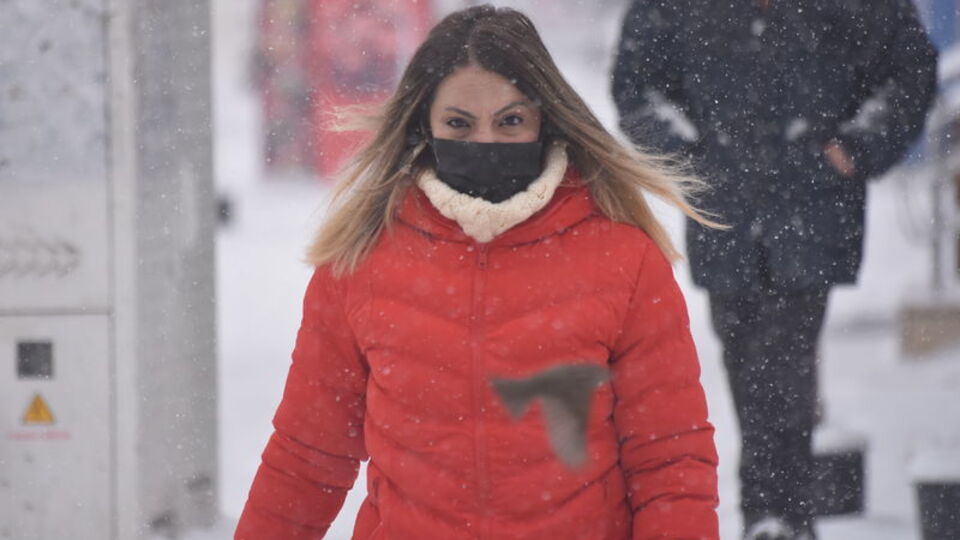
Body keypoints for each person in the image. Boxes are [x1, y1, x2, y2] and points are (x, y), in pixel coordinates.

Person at [236, 5, 721, 539]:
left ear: (544, 118)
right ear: (425, 124)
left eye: (510, 121)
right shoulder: (362, 258)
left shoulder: (623, 259)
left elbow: (670, 461)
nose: (485, 142)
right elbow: (308, 456)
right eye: (459, 124)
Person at [611, 1, 938, 539]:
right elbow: (635, 85)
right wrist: (688, 160)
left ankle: (774, 516)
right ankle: (777, 515)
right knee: (746, 355)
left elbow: (909, 67)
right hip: (726, 209)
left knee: (783, 356)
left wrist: (856, 147)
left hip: (809, 207)